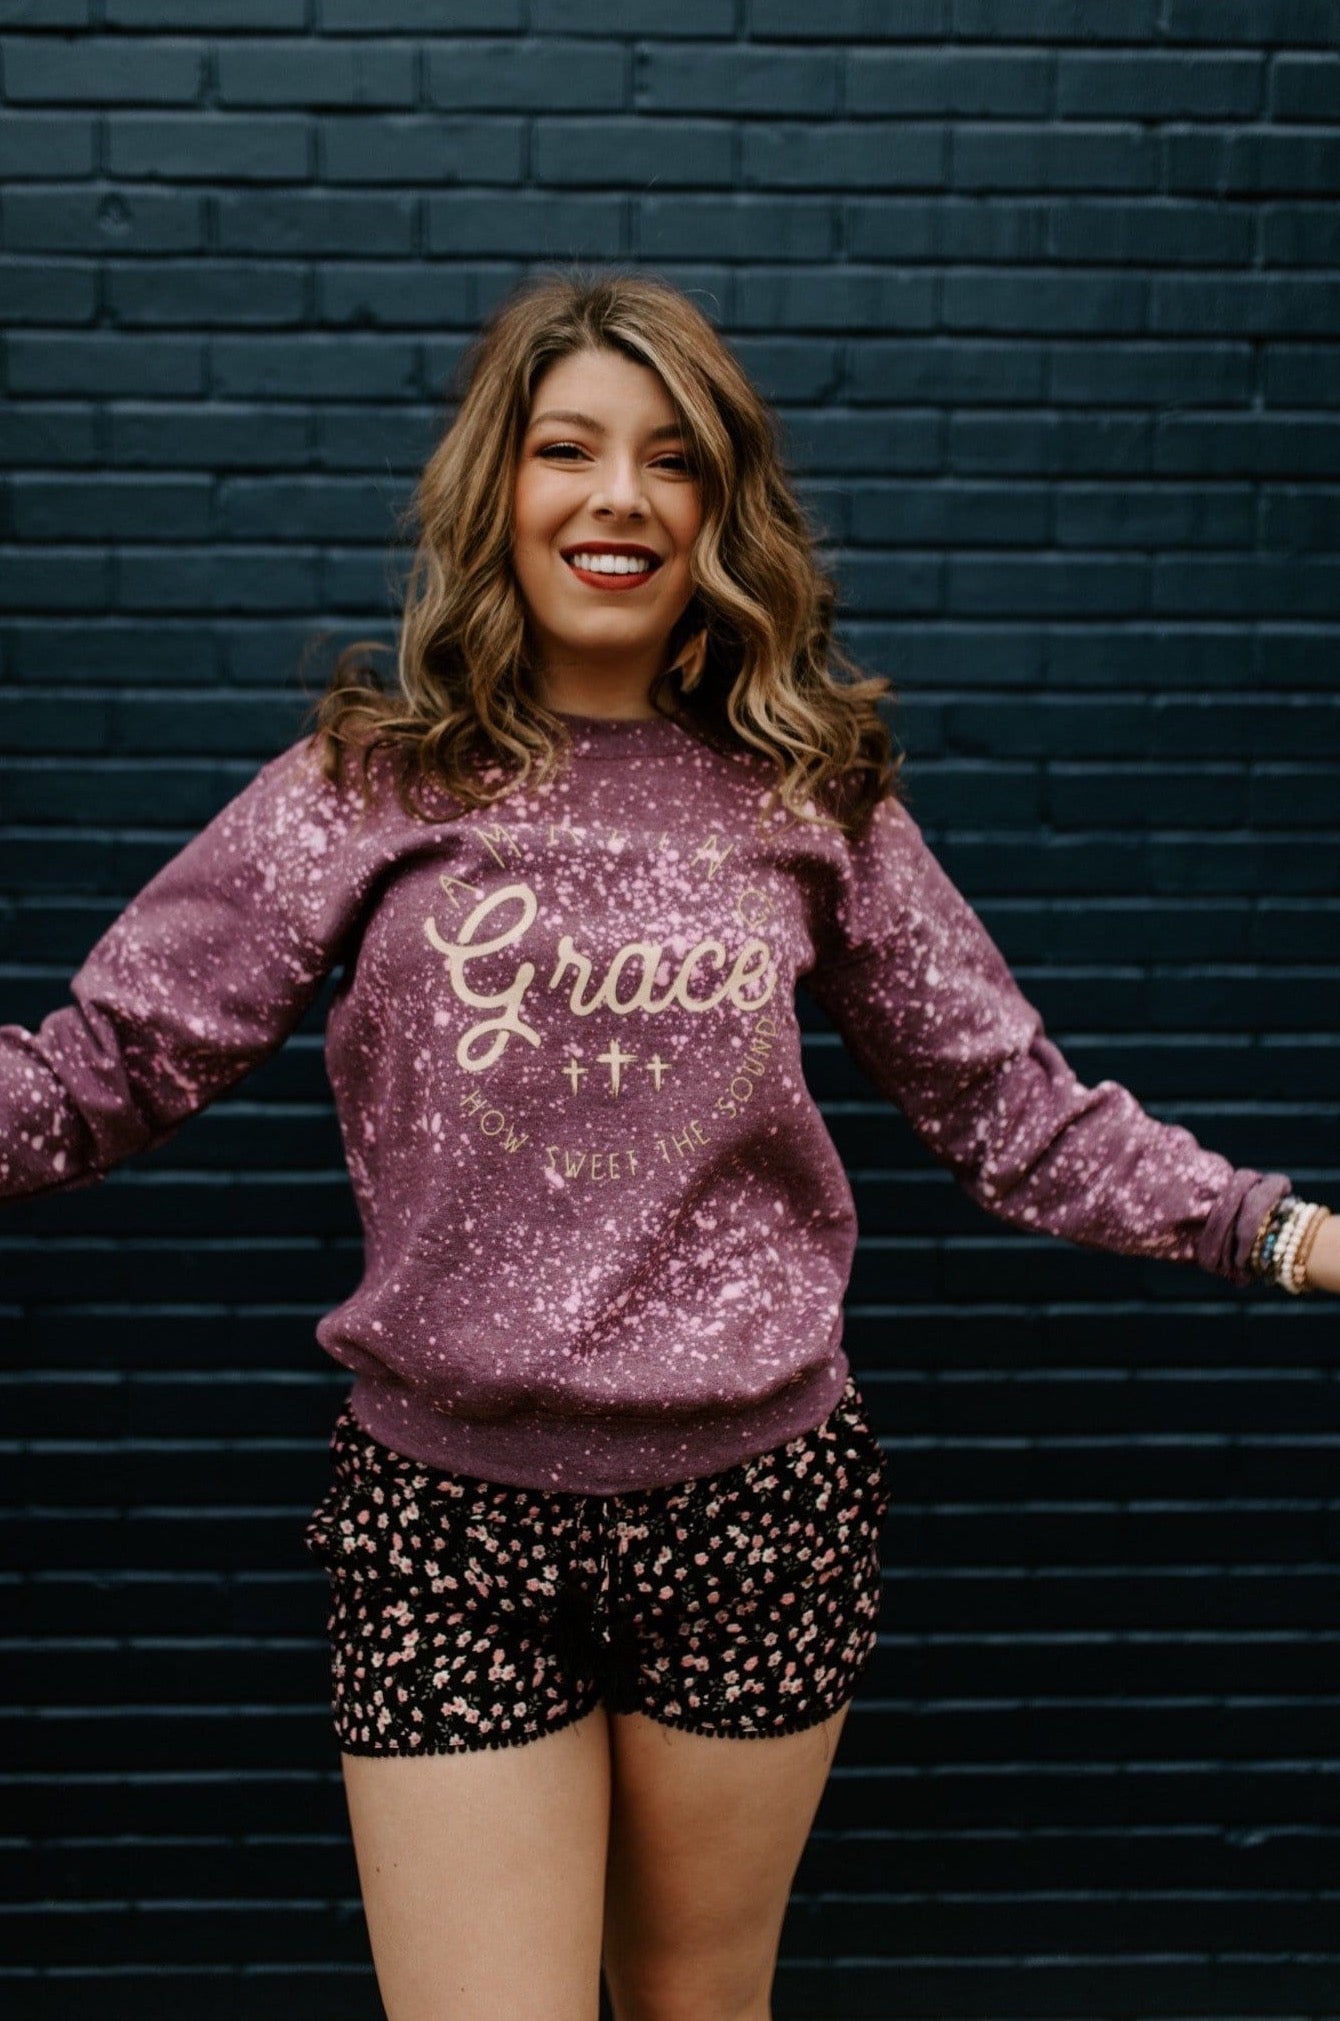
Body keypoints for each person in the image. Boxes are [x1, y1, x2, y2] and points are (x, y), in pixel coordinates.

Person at [3, 265, 1335, 2021]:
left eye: (670, 458)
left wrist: (1280, 1231)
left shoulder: (811, 796)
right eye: (567, 449)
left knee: (699, 2007)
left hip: (760, 1511)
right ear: (499, 488)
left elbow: (1008, 1106)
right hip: (447, 1520)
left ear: (722, 507)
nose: (617, 497)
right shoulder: (366, 782)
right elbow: (106, 1063)